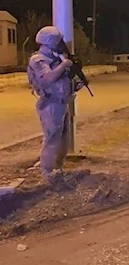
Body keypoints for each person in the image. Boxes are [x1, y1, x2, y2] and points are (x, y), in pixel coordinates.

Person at [27, 26, 81, 182]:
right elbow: (47, 78)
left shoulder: (56, 59)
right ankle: (47, 171)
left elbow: (63, 81)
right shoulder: (38, 60)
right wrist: (64, 65)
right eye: (57, 41)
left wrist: (75, 84)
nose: (60, 44)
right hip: (50, 103)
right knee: (52, 139)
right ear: (49, 42)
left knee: (63, 139)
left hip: (62, 102)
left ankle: (58, 168)